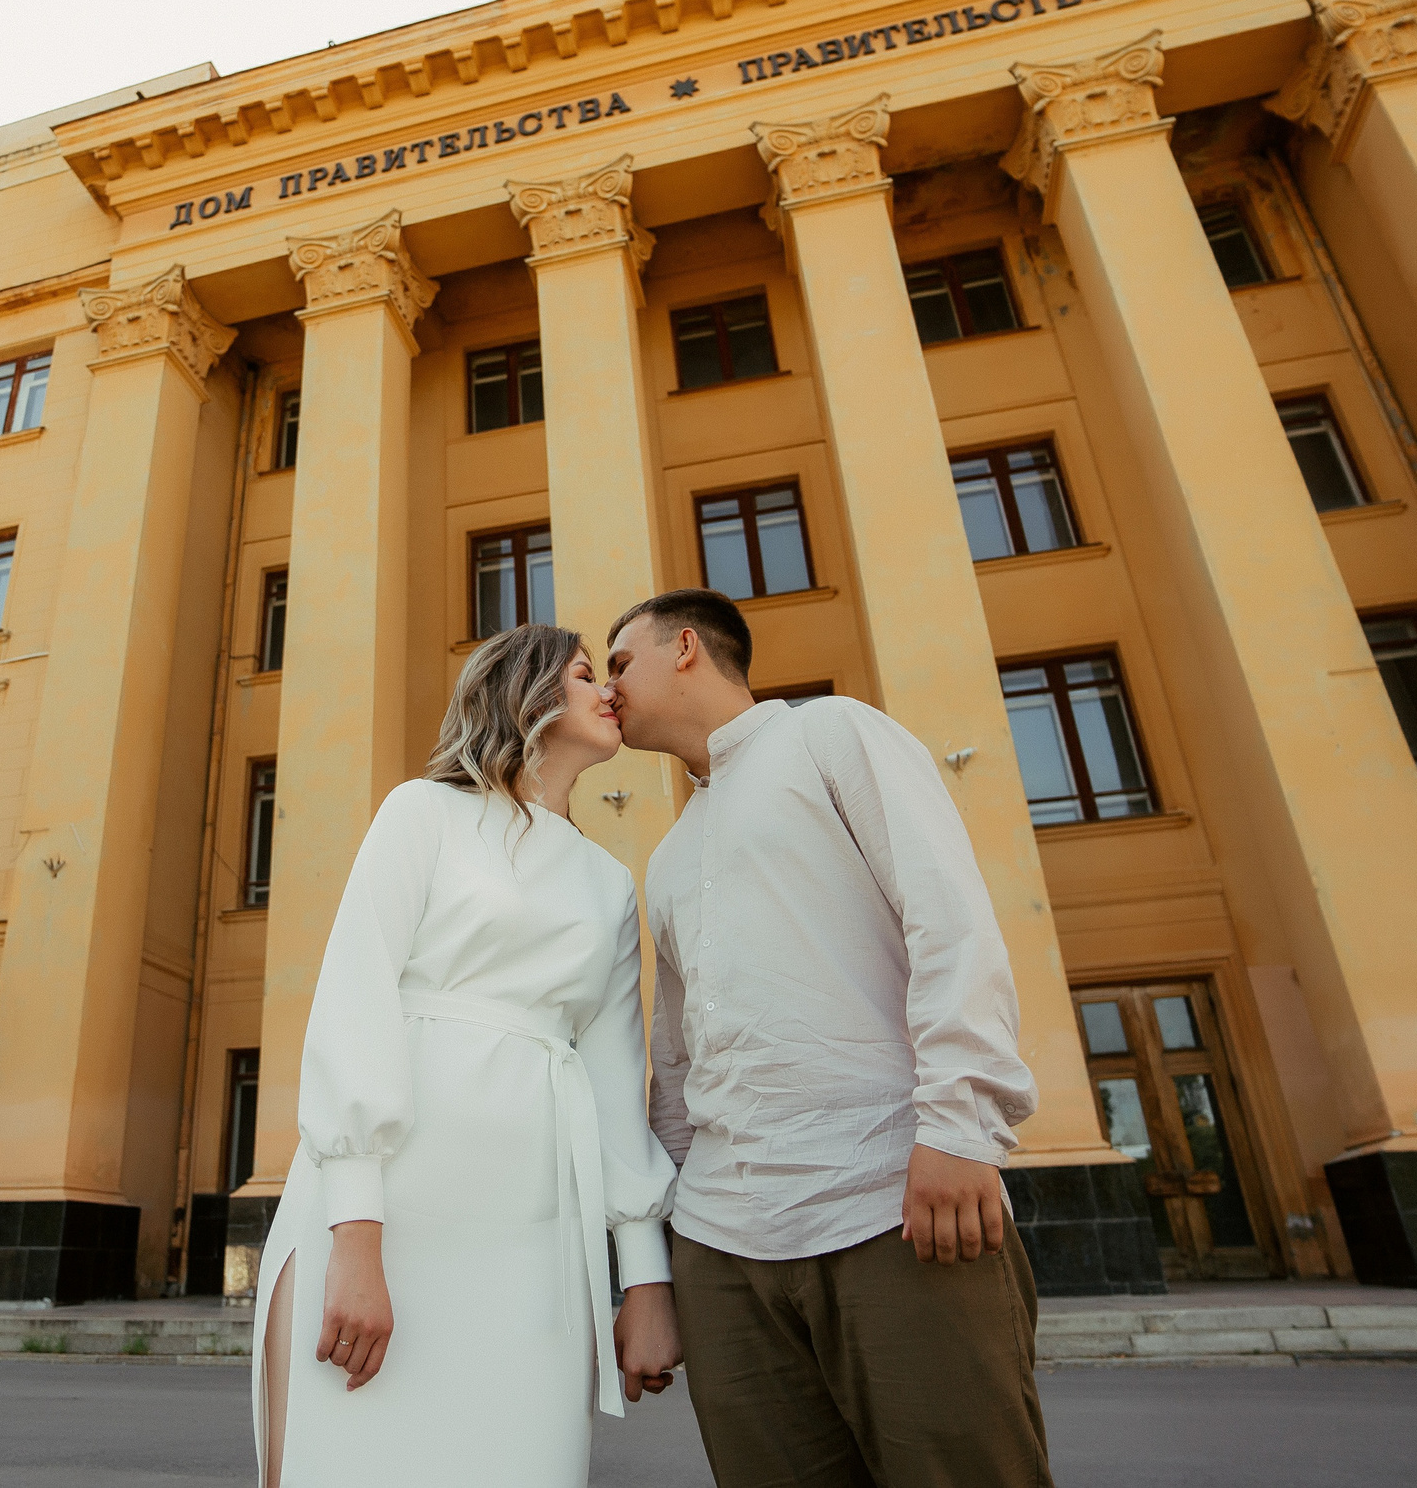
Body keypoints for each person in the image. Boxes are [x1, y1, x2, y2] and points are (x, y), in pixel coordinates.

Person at [602, 588, 1053, 1488]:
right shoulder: (668, 855)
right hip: (725, 1250)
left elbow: (951, 922)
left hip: (894, 1207)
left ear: (685, 646)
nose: (608, 687)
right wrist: (668, 1259)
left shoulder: (834, 735)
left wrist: (961, 1127)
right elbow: (678, 1062)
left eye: (619, 662)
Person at [252, 623, 684, 1488]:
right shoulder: (424, 813)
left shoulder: (607, 885)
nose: (607, 691)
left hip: (537, 1249)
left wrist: (645, 1280)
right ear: (522, 693)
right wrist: (358, 1241)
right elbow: (355, 1002)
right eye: (583, 673)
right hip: (390, 1221)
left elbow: (612, 1081)